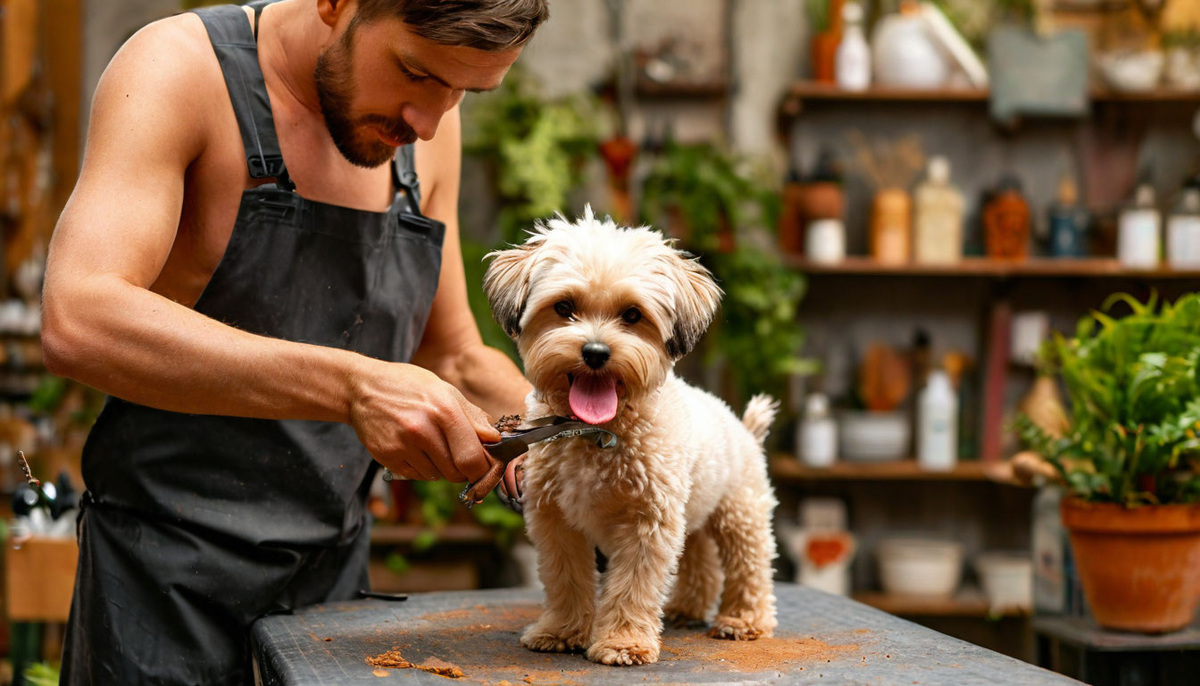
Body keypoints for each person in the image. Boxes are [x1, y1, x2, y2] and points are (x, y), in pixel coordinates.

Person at [40, 0, 542, 682]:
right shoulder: (180, 71)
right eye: (415, 72)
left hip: (332, 604)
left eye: (463, 93)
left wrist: (561, 428)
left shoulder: (426, 131)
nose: (429, 121)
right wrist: (352, 385)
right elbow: (80, 316)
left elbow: (450, 354)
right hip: (160, 595)